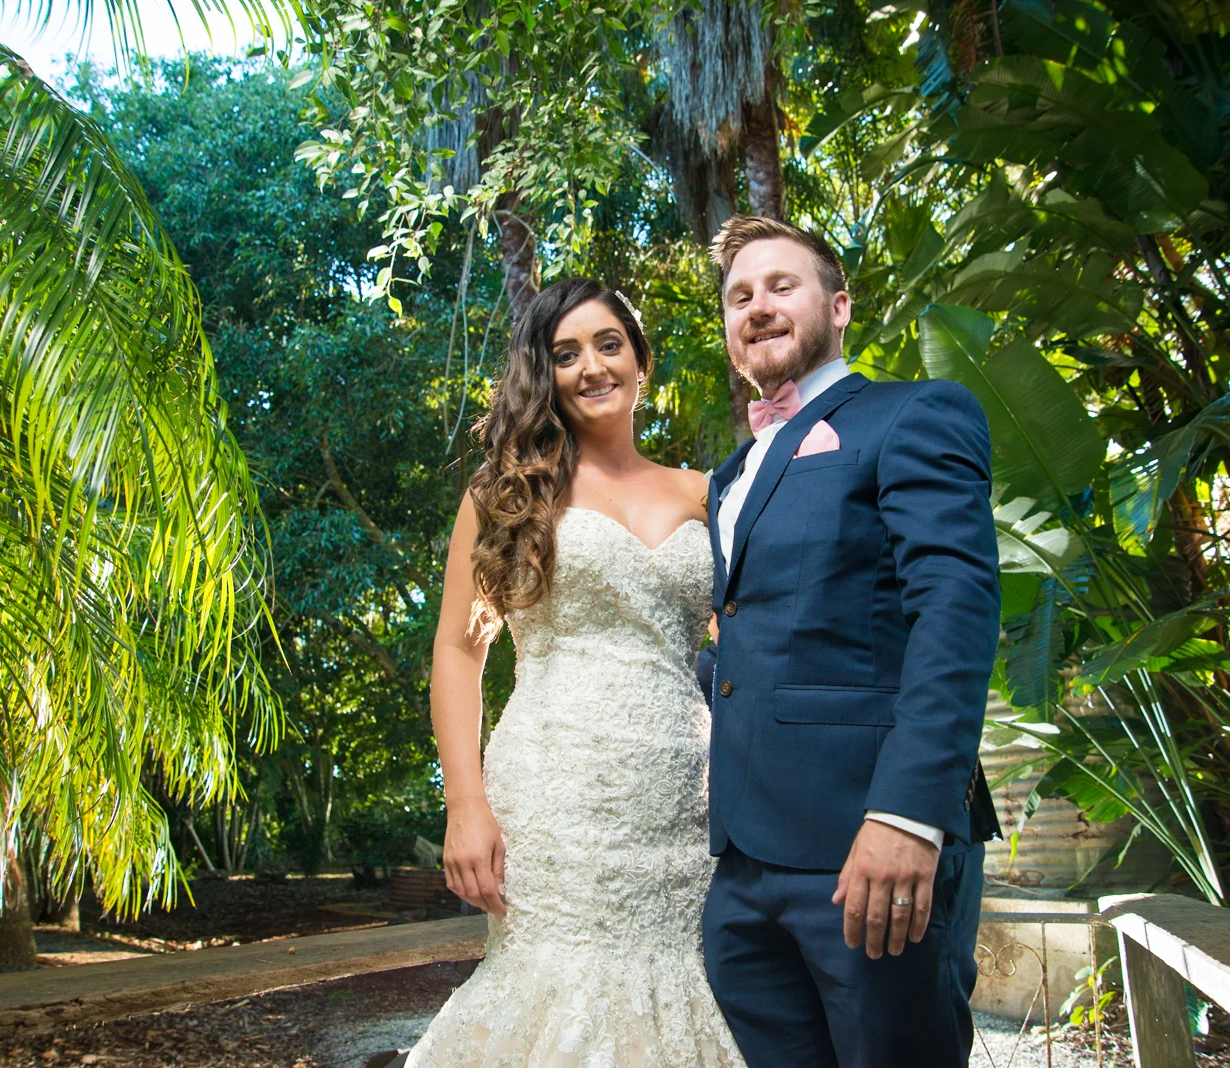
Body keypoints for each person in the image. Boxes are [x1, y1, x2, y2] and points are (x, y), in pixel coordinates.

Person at [406, 279, 745, 1066]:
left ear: (640, 361)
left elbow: (747, 642)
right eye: (566, 354)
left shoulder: (706, 494)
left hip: (683, 795)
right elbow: (458, 650)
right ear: (545, 375)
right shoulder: (506, 495)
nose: (592, 366)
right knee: (559, 985)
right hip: (554, 794)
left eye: (608, 344)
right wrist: (465, 804)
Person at [701, 216, 1003, 1068]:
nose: (758, 306)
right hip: (744, 868)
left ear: (838, 307)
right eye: (739, 296)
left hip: (869, 844)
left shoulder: (913, 413)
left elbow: (955, 608)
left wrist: (909, 815)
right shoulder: (730, 476)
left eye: (781, 286)